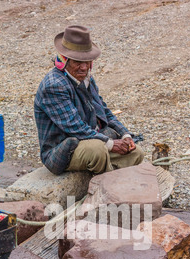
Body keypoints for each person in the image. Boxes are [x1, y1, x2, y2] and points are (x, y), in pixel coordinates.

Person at [34, 25, 144, 175]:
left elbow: (103, 111)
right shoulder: (54, 86)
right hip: (63, 151)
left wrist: (125, 135)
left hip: (90, 139)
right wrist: (111, 144)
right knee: (97, 150)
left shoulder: (86, 78)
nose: (84, 67)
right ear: (65, 60)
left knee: (136, 152)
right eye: (78, 62)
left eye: (87, 61)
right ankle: (107, 186)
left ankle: (111, 178)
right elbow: (75, 127)